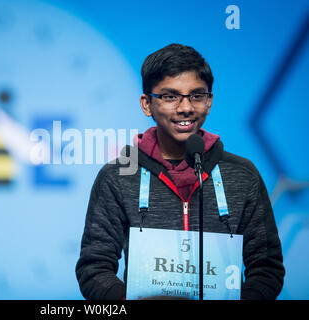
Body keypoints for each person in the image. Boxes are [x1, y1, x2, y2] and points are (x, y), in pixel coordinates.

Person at [75, 43, 285, 300]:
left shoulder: (243, 175)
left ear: (209, 102)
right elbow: (94, 268)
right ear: (146, 104)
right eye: (170, 96)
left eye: (196, 96)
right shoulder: (119, 175)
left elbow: (267, 269)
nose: (185, 107)